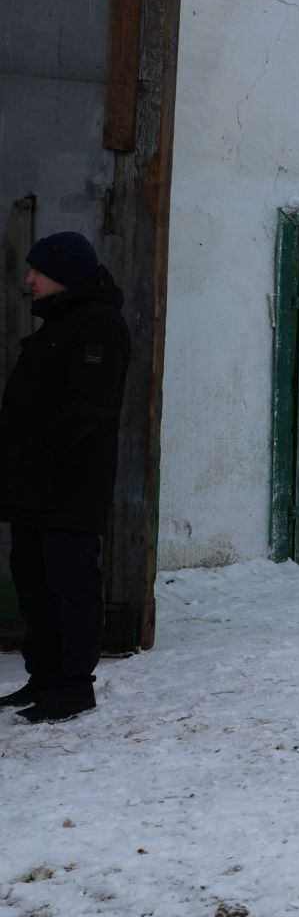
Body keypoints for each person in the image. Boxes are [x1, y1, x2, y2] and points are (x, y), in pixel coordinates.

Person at [0, 232, 131, 724]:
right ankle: (45, 677)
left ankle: (74, 687)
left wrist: (32, 451)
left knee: (70, 584)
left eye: (39, 271)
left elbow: (87, 407)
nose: (28, 279)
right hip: (33, 484)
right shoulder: (62, 321)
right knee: (33, 582)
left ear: (66, 273)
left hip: (69, 485)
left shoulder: (99, 325)